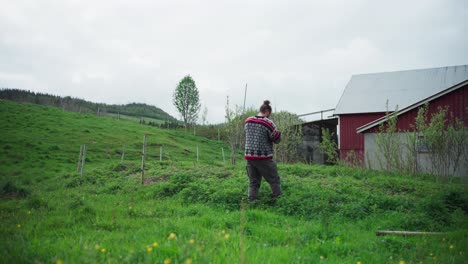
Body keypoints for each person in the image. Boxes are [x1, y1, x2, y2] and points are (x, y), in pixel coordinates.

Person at [244, 100, 282, 201]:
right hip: (263, 157)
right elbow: (277, 140)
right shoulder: (268, 123)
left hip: (249, 156)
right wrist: (278, 133)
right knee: (274, 179)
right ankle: (278, 199)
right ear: (267, 111)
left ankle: (251, 201)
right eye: (270, 114)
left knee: (253, 182)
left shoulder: (248, 121)